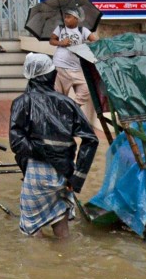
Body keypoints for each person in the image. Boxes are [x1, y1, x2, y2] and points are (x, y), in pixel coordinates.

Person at [10, 53, 98, 238]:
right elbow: (91, 139)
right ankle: (64, 263)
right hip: (65, 174)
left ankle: (41, 265)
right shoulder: (68, 103)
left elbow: (17, 141)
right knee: (60, 222)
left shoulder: (22, 102)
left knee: (32, 229)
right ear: (51, 75)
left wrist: (42, 151)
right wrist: (77, 177)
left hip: (36, 173)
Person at [50, 8, 98, 125]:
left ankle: (72, 109)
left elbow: (95, 41)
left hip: (77, 68)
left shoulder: (83, 30)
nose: (66, 19)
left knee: (85, 89)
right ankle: (60, 122)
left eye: (69, 17)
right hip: (60, 66)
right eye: (65, 17)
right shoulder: (60, 29)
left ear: (76, 19)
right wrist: (61, 43)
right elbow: (52, 40)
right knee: (59, 95)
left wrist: (84, 46)